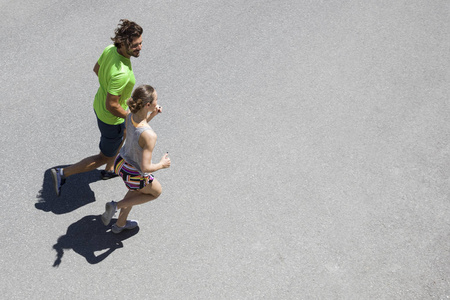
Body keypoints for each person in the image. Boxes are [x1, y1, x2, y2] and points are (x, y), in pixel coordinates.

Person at [51, 19, 143, 196]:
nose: (140, 47)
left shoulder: (110, 50)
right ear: (123, 43)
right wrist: (129, 118)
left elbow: (97, 69)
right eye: (136, 45)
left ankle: (110, 170)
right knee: (103, 156)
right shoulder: (121, 74)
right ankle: (63, 173)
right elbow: (112, 105)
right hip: (111, 118)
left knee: (123, 134)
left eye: (140, 43)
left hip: (99, 104)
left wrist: (112, 90)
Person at [101, 85, 171, 234]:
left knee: (135, 192)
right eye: (156, 100)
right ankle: (115, 206)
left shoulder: (130, 115)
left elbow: (139, 127)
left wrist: (152, 114)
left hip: (121, 162)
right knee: (156, 192)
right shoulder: (150, 136)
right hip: (134, 171)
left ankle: (119, 224)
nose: (157, 101)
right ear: (147, 105)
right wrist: (161, 164)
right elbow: (145, 168)